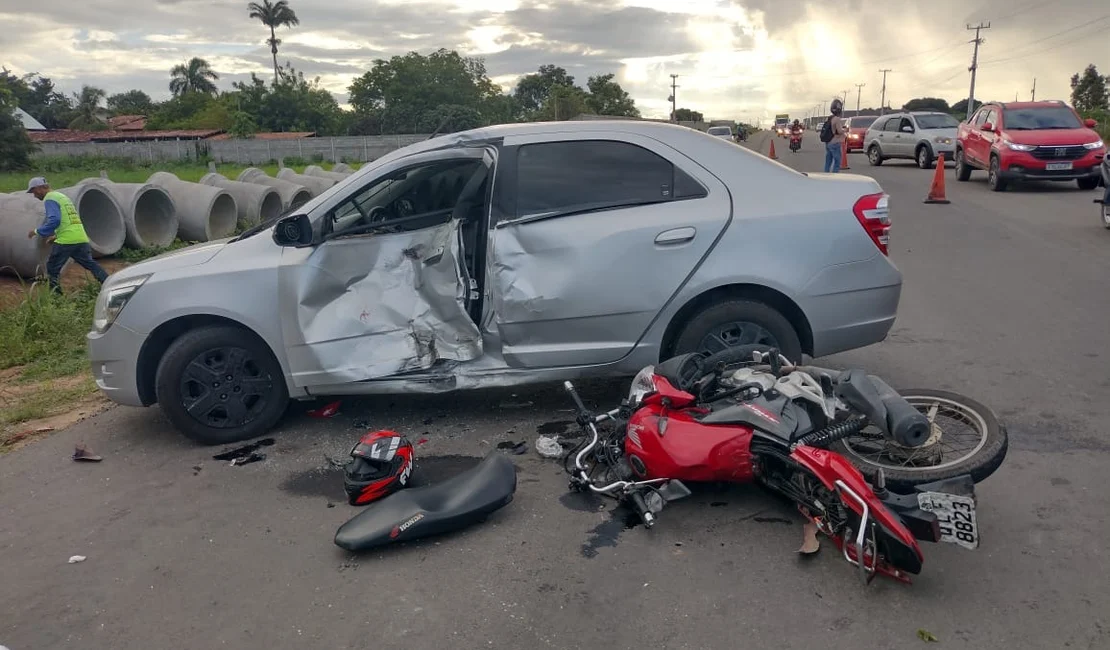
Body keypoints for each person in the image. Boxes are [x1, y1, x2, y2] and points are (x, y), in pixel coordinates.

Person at [25, 177, 109, 293]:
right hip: (80, 237)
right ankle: (108, 283)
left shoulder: (50, 199)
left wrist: (36, 231)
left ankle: (56, 296)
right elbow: (68, 220)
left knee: (52, 268)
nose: (34, 196)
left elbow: (55, 220)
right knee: (90, 263)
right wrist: (56, 236)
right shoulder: (61, 197)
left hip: (67, 241)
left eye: (33, 192)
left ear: (39, 188)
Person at [823, 98, 848, 173]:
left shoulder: (829, 118)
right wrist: (845, 130)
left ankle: (825, 175)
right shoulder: (837, 119)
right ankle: (834, 176)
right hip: (835, 142)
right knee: (837, 162)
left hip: (828, 142)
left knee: (828, 161)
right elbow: (839, 131)